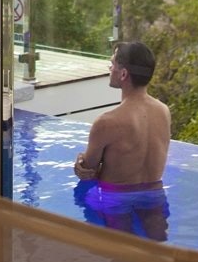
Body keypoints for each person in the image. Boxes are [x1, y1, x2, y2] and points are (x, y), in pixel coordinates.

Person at [74, 42, 172, 238]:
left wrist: (80, 164)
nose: (110, 69)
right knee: (157, 257)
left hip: (116, 199)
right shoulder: (164, 111)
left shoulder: (106, 122)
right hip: (155, 197)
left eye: (112, 64)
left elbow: (88, 171)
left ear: (124, 74)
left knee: (120, 260)